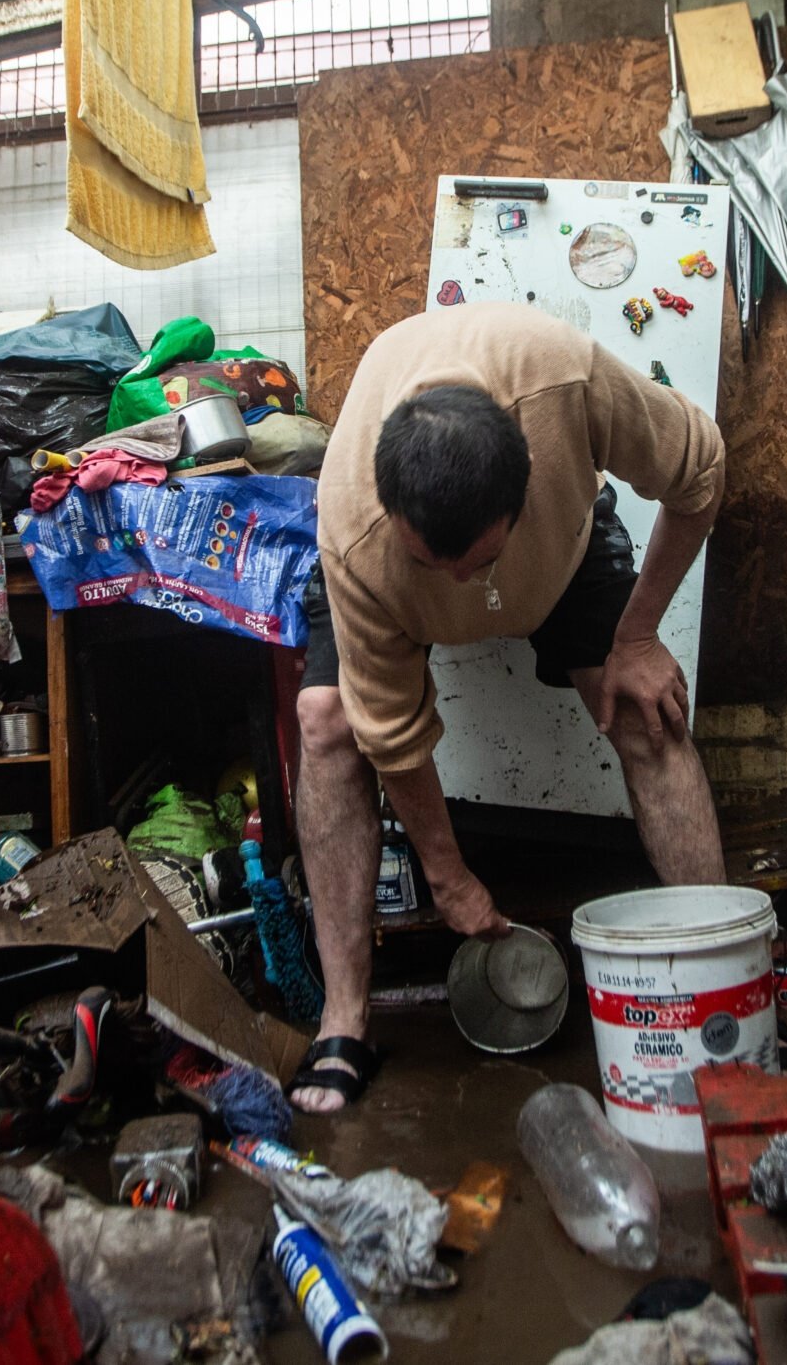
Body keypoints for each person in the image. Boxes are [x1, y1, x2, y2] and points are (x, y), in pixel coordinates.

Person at [290, 302, 729, 1113]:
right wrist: (448, 875)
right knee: (326, 720)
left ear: (529, 475)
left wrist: (636, 637)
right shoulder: (355, 528)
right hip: (393, 582)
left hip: (557, 556)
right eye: (436, 563)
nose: (465, 584)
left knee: (648, 703)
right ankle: (344, 1019)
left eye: (480, 561)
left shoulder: (568, 380)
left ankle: (724, 978)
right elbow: (393, 730)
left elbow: (702, 473)